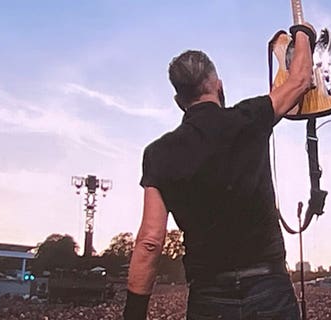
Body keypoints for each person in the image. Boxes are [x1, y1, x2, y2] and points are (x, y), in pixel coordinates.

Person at [123, 23, 317, 320]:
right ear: (219, 86)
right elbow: (301, 79)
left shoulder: (159, 154)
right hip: (269, 290)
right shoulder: (249, 117)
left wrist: (133, 315)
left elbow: (150, 241)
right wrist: (303, 32)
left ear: (179, 101)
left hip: (209, 298)